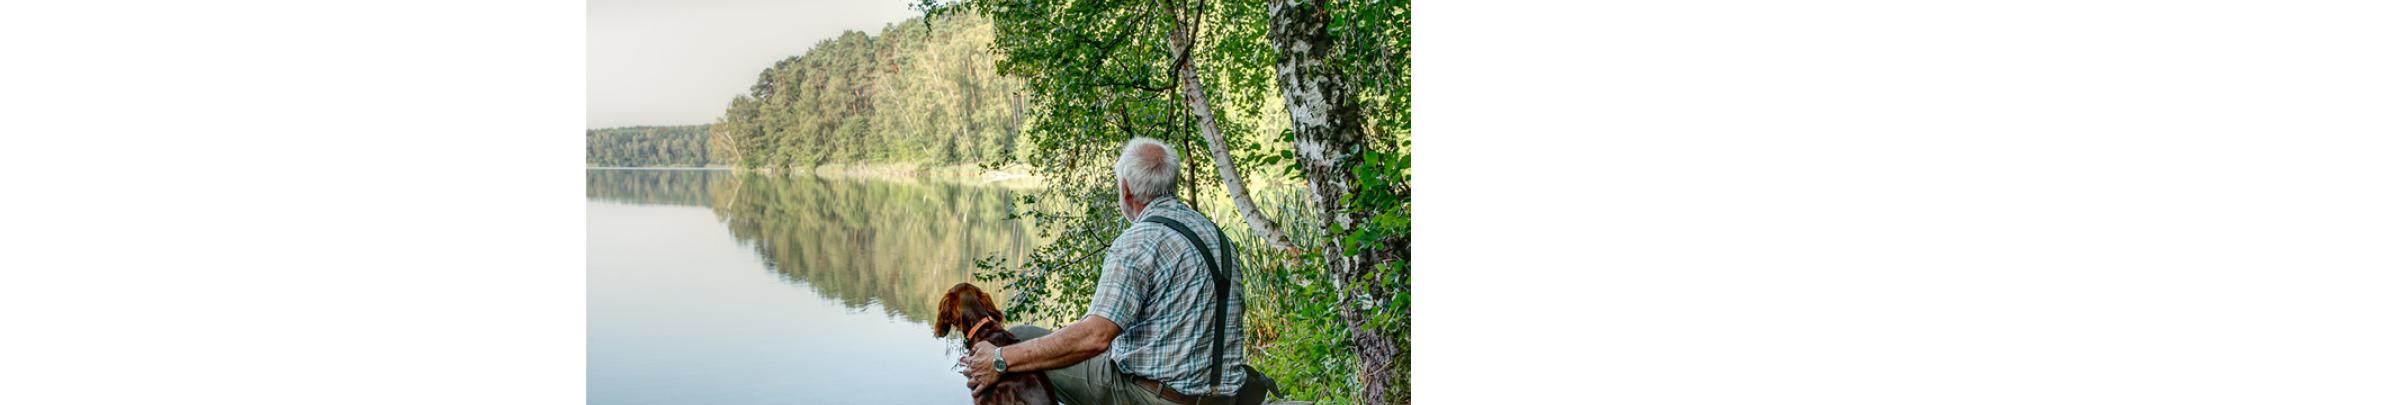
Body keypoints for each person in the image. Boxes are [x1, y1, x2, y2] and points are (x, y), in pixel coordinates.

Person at [959, 137, 1270, 405]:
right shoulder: (1217, 236)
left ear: (1125, 190)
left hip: (1156, 399)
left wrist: (999, 360)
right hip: (1222, 399)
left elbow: (1095, 338)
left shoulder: (1138, 242)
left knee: (1016, 339)